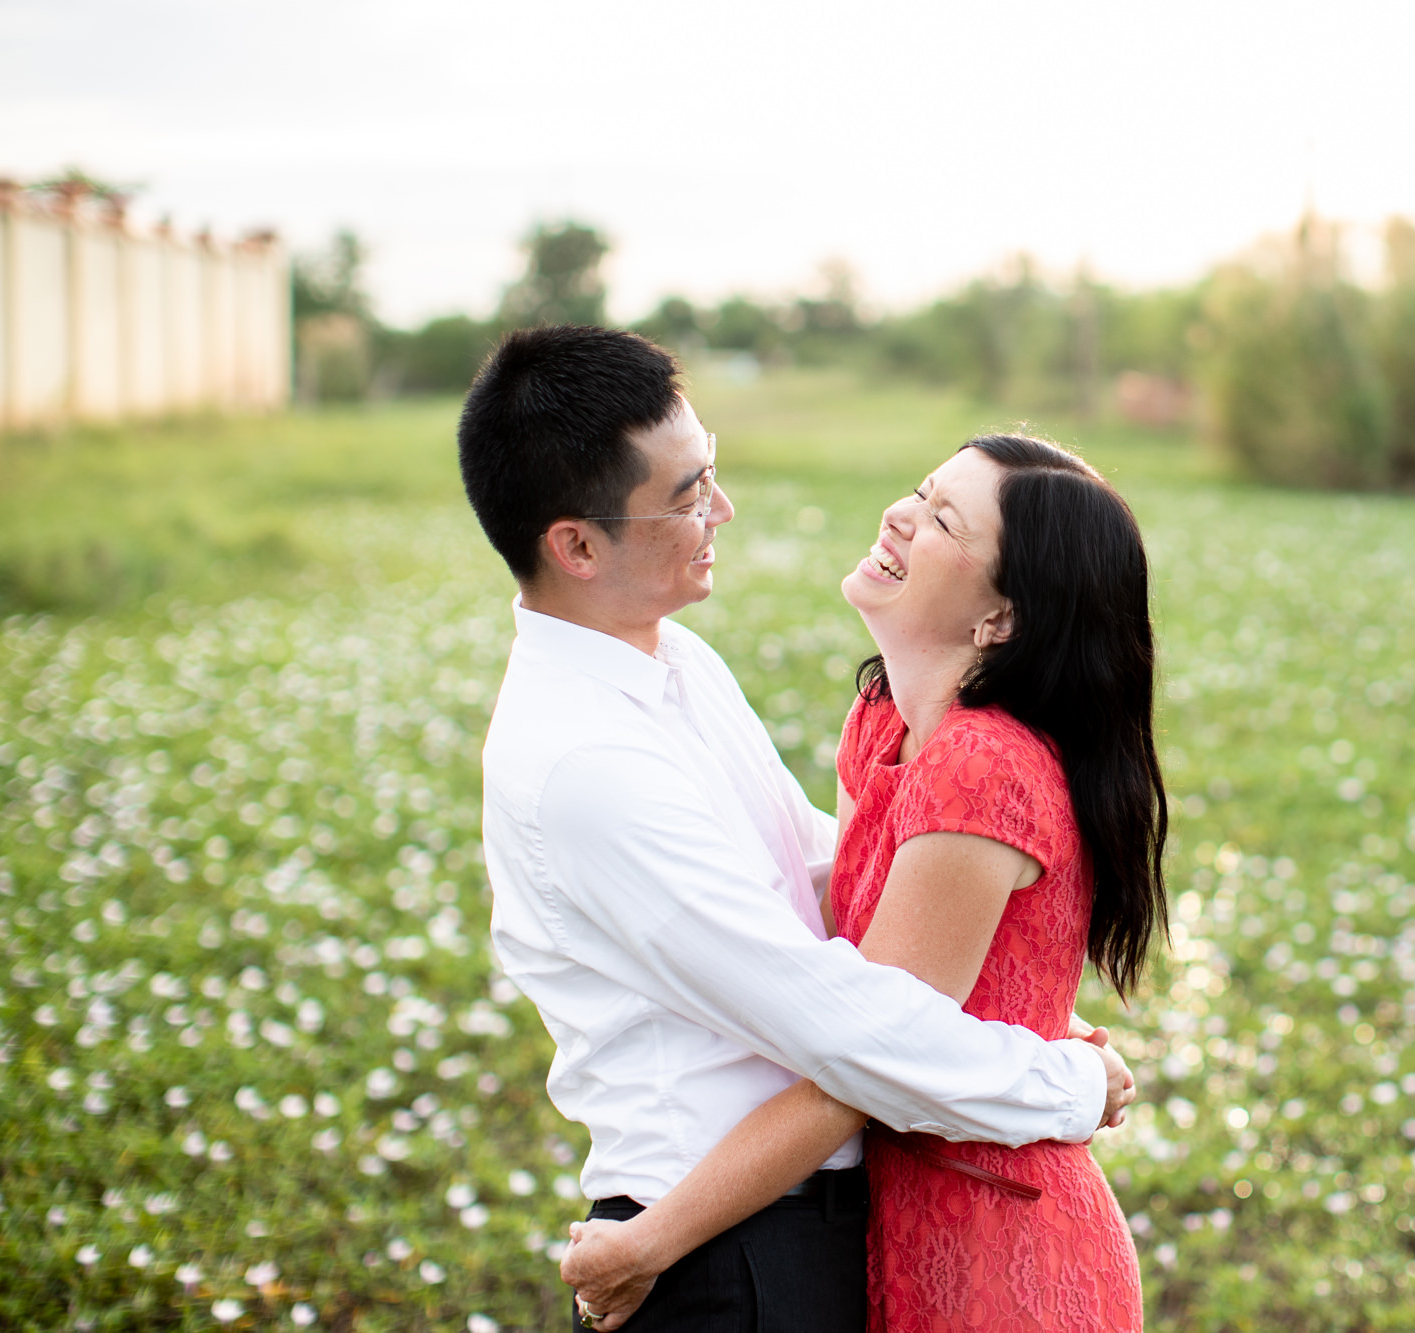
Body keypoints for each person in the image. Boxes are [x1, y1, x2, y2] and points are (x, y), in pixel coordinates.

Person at [458, 326, 1136, 1333]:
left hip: (809, 1226)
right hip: (727, 1260)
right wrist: (1059, 1079)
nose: (719, 510)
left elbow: (822, 874)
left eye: (711, 472)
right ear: (578, 545)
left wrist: (1006, 997)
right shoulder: (584, 764)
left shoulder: (676, 665)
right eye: (686, 493)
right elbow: (840, 1021)